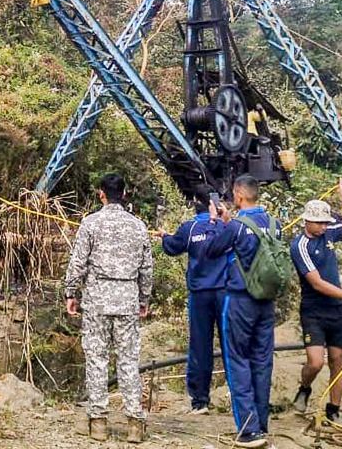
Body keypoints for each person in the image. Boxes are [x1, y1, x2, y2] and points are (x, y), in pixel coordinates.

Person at [64, 173, 153, 443]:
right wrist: (144, 299)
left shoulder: (90, 224)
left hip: (97, 299)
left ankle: (99, 422)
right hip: (126, 297)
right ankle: (134, 424)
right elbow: (147, 267)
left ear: (101, 194)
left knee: (97, 359)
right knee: (128, 360)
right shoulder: (138, 226)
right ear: (124, 194)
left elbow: (78, 261)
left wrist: (70, 292)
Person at [289, 183, 342, 424]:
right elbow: (317, 283)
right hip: (314, 310)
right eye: (320, 223)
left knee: (338, 359)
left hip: (336, 310)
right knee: (316, 362)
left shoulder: (327, 234)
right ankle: (305, 387)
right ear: (307, 221)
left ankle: (333, 408)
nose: (324, 226)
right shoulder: (300, 246)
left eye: (326, 222)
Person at [202, 175, 276, 448]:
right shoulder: (272, 223)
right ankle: (261, 423)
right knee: (262, 360)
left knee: (238, 361)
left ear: (238, 195)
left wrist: (214, 223)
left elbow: (211, 250)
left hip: (241, 300)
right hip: (266, 302)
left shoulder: (235, 226)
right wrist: (228, 223)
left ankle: (248, 430)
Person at [157, 199, 229, 415]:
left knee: (200, 346)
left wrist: (164, 237)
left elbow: (172, 247)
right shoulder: (228, 226)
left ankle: (200, 401)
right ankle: (238, 395)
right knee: (231, 344)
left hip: (200, 294)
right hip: (225, 293)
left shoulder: (190, 228)